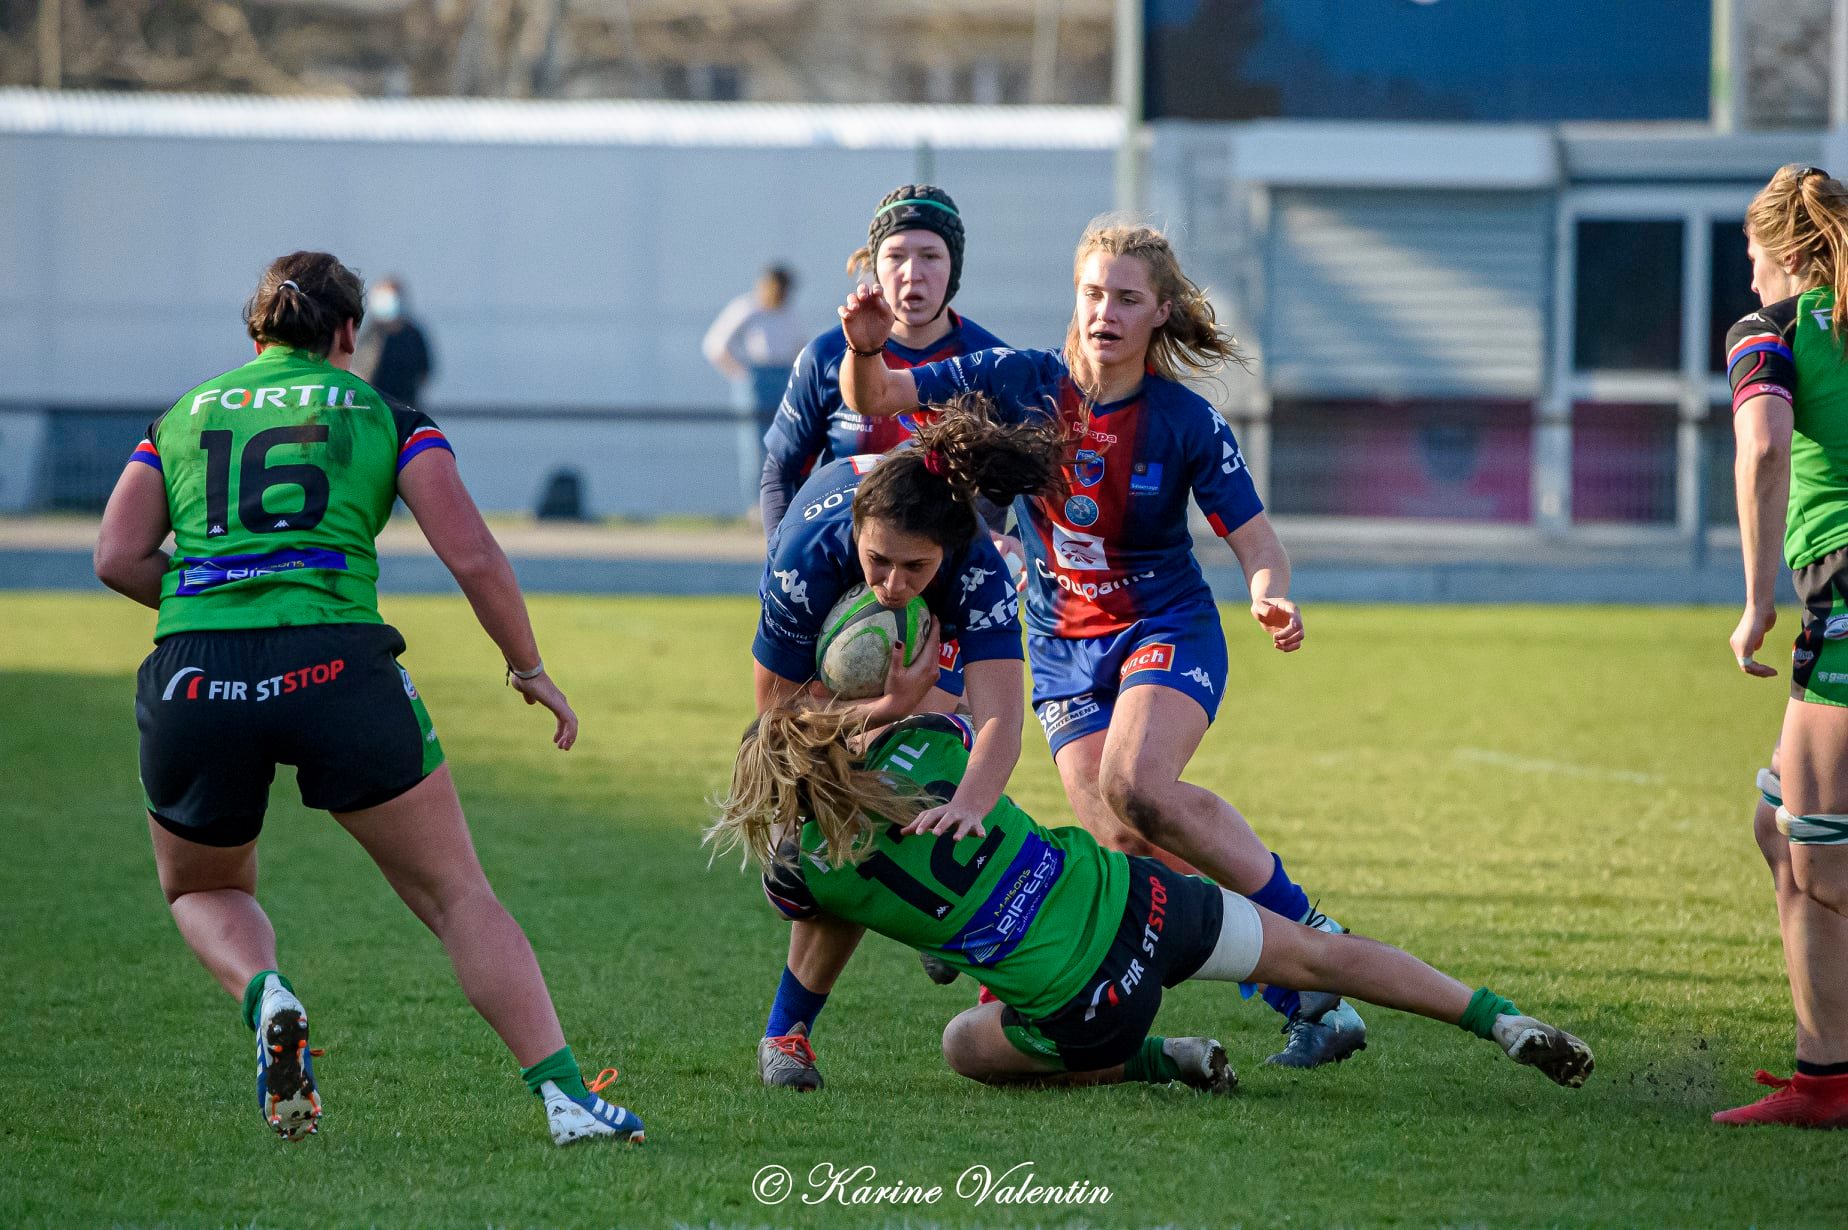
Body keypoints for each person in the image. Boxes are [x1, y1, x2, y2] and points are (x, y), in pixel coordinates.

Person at [92, 251, 642, 1147]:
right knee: (457, 894)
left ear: (253, 332)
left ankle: (266, 992)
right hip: (338, 664)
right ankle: (565, 1095)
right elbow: (471, 555)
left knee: (203, 888)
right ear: (350, 334)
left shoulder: (183, 415)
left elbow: (116, 556)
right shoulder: (388, 415)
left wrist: (220, 604)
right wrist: (527, 666)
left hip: (195, 674)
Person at [836, 217, 1366, 1068]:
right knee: (1122, 839)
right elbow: (880, 398)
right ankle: (1301, 991)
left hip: (1166, 629)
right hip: (1058, 648)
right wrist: (865, 349)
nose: (1104, 312)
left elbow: (1256, 540)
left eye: (1126, 298)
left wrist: (1271, 596)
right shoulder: (1020, 381)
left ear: (1159, 313)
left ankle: (1308, 928)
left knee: (1136, 785)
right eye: (1092, 293)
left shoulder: (1184, 422)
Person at [710, 705, 1596, 1096]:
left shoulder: (804, 874)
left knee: (963, 1046)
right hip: (1148, 900)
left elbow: (822, 909)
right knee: (1321, 953)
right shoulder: (936, 749)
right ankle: (1500, 1019)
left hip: (1091, 1001)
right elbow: (950, 719)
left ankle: (1160, 1060)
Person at [749, 397, 1063, 1091]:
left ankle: (787, 1034)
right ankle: (800, 1014)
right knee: (825, 840)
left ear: (947, 552)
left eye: (914, 567)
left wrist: (971, 808)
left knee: (902, 791)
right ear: (856, 529)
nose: (892, 585)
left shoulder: (976, 571)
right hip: (813, 691)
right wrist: (888, 702)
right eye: (879, 561)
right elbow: (777, 723)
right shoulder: (804, 561)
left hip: (934, 654)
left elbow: (1001, 722)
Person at [1718, 163, 1848, 1128]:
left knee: (1825, 859)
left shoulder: (1774, 331)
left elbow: (1763, 448)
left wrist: (1756, 599)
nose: (1750, 278)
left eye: (1756, 259)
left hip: (1841, 585)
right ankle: (1825, 1076)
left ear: (1794, 256)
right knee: (1784, 831)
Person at [759, 185, 1009, 540]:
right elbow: (782, 472)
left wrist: (1003, 545)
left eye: (930, 256)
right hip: (846, 575)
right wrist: (781, 561)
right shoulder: (826, 356)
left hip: (954, 582)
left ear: (954, 267)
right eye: (895, 256)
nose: (912, 272)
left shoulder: (995, 365)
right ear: (875, 264)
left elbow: (1025, 486)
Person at [705, 264, 806, 508]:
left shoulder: (789, 314)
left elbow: (801, 347)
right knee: (756, 447)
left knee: (787, 440)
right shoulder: (747, 309)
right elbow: (715, 345)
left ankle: (788, 499)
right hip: (757, 379)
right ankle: (757, 504)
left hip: (784, 378)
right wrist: (741, 374)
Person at [351, 276, 434, 405]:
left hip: (406, 405)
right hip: (374, 405)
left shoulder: (413, 334)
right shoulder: (370, 333)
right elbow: (357, 369)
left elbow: (425, 370)